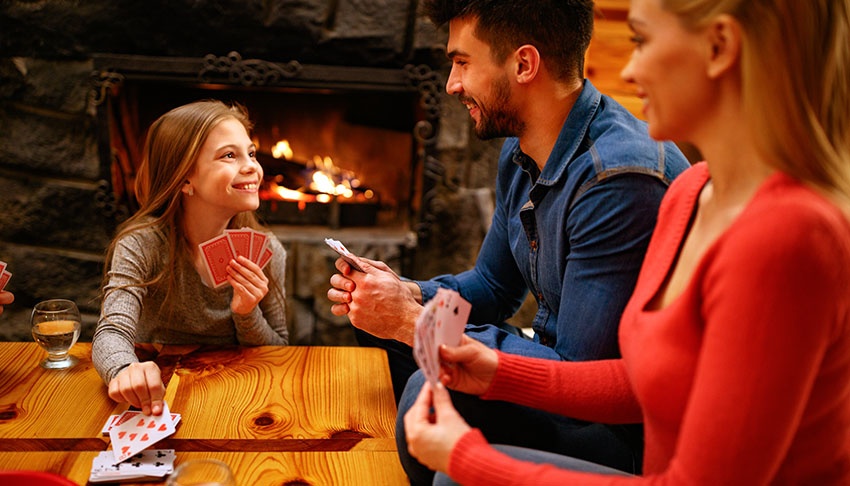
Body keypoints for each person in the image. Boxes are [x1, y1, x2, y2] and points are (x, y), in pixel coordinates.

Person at [404, 0, 850, 483]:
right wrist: (495, 370)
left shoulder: (786, 238)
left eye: (639, 41)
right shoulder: (691, 192)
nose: (630, 70)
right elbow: (641, 381)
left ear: (720, 47)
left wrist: (470, 461)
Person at [328, 0, 690, 482]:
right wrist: (406, 294)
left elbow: (578, 377)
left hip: (615, 428)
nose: (452, 85)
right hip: (554, 370)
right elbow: (492, 288)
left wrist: (415, 322)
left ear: (524, 64)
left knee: (427, 388)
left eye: (461, 63)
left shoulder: (618, 180)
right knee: (380, 334)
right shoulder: (521, 150)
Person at [93, 100, 288, 417]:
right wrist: (123, 369)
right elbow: (111, 333)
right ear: (185, 179)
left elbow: (279, 352)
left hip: (237, 399)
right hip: (158, 401)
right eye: (229, 155)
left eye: (250, 153)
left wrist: (246, 312)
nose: (252, 165)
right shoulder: (142, 245)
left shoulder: (268, 250)